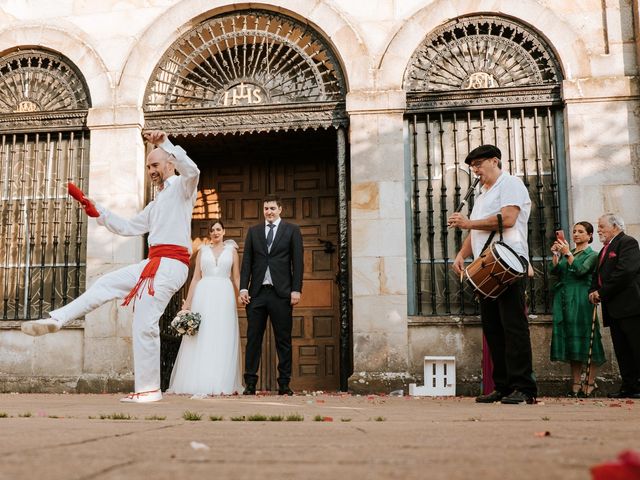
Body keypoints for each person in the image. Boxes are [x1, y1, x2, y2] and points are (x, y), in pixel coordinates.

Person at [21, 131, 199, 403]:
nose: (151, 170)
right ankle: (58, 319)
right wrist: (98, 211)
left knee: (144, 323)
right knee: (105, 283)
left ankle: (150, 389)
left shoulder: (183, 188)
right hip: (152, 264)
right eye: (148, 166)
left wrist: (164, 143)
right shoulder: (156, 203)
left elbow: (193, 169)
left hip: (171, 265)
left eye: (155, 165)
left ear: (169, 164)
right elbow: (129, 227)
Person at [448, 144, 537, 405]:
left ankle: (524, 388)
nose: (475, 170)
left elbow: (508, 219)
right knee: (494, 329)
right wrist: (461, 254)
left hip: (508, 262)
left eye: (479, 165)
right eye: (472, 166)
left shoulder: (510, 184)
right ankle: (504, 386)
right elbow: (477, 231)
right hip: (485, 266)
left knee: (513, 327)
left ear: (495, 161)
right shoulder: (482, 193)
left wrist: (467, 222)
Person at [168, 220, 244, 395]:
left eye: (218, 229)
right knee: (202, 335)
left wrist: (241, 293)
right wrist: (187, 304)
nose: (216, 232)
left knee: (222, 334)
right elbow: (195, 278)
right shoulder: (202, 251)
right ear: (209, 233)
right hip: (204, 294)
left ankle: (220, 380)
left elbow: (236, 277)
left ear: (224, 231)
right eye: (212, 230)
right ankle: (198, 380)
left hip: (224, 294)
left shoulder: (232, 251)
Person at [239, 194, 303, 395]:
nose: (269, 212)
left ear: (280, 209)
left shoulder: (292, 230)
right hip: (257, 294)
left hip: (281, 293)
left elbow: (298, 262)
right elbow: (247, 261)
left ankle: (284, 384)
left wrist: (296, 289)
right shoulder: (254, 231)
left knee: (283, 340)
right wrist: (243, 288)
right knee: (253, 340)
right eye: (266, 208)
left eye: (272, 208)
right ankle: (250, 383)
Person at [550, 221, 605, 397]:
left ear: (590, 235)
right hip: (565, 297)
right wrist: (557, 255)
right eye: (574, 231)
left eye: (581, 231)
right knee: (571, 339)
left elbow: (581, 271)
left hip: (581, 298)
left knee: (587, 336)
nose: (576, 234)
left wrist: (567, 254)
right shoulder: (570, 252)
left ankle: (589, 382)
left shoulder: (593, 254)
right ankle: (575, 383)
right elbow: (556, 271)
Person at [589, 213, 640, 399]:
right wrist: (593, 290)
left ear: (615, 226)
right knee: (622, 350)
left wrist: (601, 292)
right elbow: (598, 275)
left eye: (602, 226)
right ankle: (629, 386)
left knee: (636, 347)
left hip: (631, 307)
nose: (599, 230)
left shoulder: (628, 243)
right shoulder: (604, 249)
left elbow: (625, 272)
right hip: (614, 309)